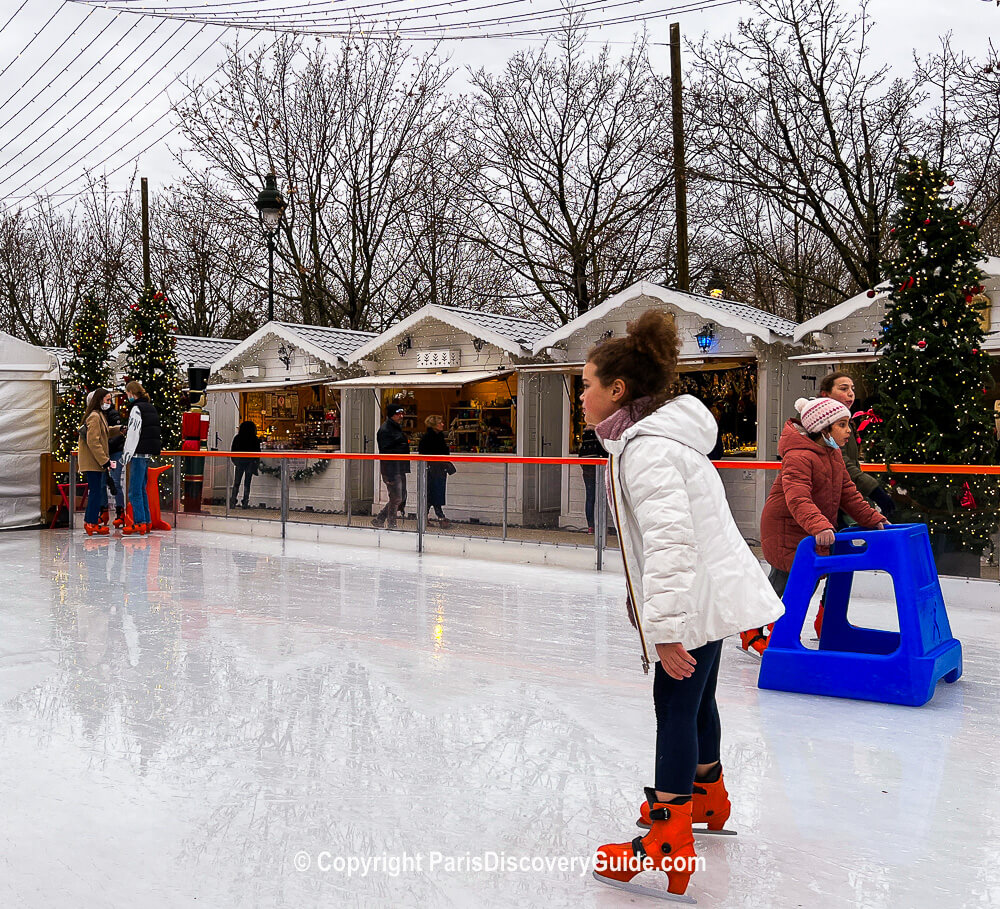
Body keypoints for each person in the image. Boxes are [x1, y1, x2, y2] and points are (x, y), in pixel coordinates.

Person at [582, 310, 785, 901]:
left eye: (588, 384)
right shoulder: (665, 441)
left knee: (673, 703)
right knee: (696, 702)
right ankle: (707, 795)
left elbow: (671, 544)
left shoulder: (647, 452)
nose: (583, 396)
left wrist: (664, 630)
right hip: (709, 594)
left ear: (617, 390)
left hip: (692, 598)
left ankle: (669, 836)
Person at [744, 397, 889, 656]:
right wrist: (820, 525)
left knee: (802, 585)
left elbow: (848, 493)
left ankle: (779, 632)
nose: (849, 431)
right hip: (787, 528)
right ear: (823, 429)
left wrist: (873, 518)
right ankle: (753, 630)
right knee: (783, 584)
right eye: (842, 425)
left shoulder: (833, 455)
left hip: (809, 528)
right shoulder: (799, 456)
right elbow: (797, 496)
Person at [121, 380, 162, 536]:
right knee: (142, 489)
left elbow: (133, 433)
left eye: (127, 394)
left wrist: (126, 454)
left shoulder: (137, 409)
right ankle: (146, 520)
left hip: (138, 454)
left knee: (134, 491)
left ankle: (139, 522)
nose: (127, 397)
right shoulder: (150, 408)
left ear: (132, 393)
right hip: (147, 454)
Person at [78, 387, 114, 536]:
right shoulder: (94, 416)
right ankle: (91, 522)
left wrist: (119, 430)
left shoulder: (99, 415)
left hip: (95, 462)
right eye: (108, 400)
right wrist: (105, 461)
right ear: (99, 400)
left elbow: (104, 433)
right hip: (93, 462)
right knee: (95, 493)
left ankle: (91, 520)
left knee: (97, 492)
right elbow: (93, 441)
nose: (110, 403)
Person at [371, 403, 411, 529]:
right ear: (392, 415)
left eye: (402, 413)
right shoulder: (385, 430)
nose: (401, 416)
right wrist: (403, 445)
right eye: (398, 414)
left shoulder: (395, 428)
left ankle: (380, 518)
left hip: (399, 466)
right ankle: (391, 523)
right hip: (391, 468)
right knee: (396, 497)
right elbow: (386, 451)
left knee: (401, 496)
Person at [418, 415, 455, 528]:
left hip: (437, 468)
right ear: (434, 425)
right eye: (440, 423)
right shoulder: (430, 438)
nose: (443, 424)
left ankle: (424, 518)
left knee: (431, 494)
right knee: (435, 493)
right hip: (434, 469)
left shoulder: (437, 436)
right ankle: (440, 517)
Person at [577, 423, 607, 533]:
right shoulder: (598, 441)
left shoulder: (584, 444)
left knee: (590, 497)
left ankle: (591, 526)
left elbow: (580, 458)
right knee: (602, 498)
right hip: (600, 471)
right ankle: (601, 526)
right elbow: (605, 455)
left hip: (587, 472)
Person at [230, 421, 261, 508]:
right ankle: (245, 502)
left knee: (236, 482)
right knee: (247, 483)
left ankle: (233, 500)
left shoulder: (237, 438)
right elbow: (258, 452)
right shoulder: (254, 439)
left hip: (239, 462)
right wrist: (256, 463)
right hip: (250, 462)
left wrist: (235, 461)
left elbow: (233, 450)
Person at [105, 401, 127, 527]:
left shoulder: (113, 414)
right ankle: (103, 511)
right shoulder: (98, 414)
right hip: (105, 452)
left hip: (115, 452)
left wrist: (107, 445)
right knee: (104, 482)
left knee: (115, 481)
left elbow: (119, 434)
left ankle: (120, 512)